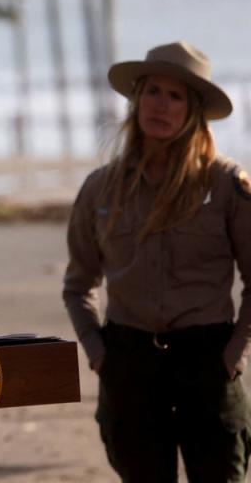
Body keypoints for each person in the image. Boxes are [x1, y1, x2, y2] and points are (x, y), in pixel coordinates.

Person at [63, 41, 251, 482]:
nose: (161, 105)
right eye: (153, 91)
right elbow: (78, 285)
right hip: (128, 363)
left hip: (208, 360)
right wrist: (99, 356)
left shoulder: (226, 185)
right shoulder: (100, 188)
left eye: (175, 95)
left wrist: (233, 355)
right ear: (136, 99)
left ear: (194, 110)